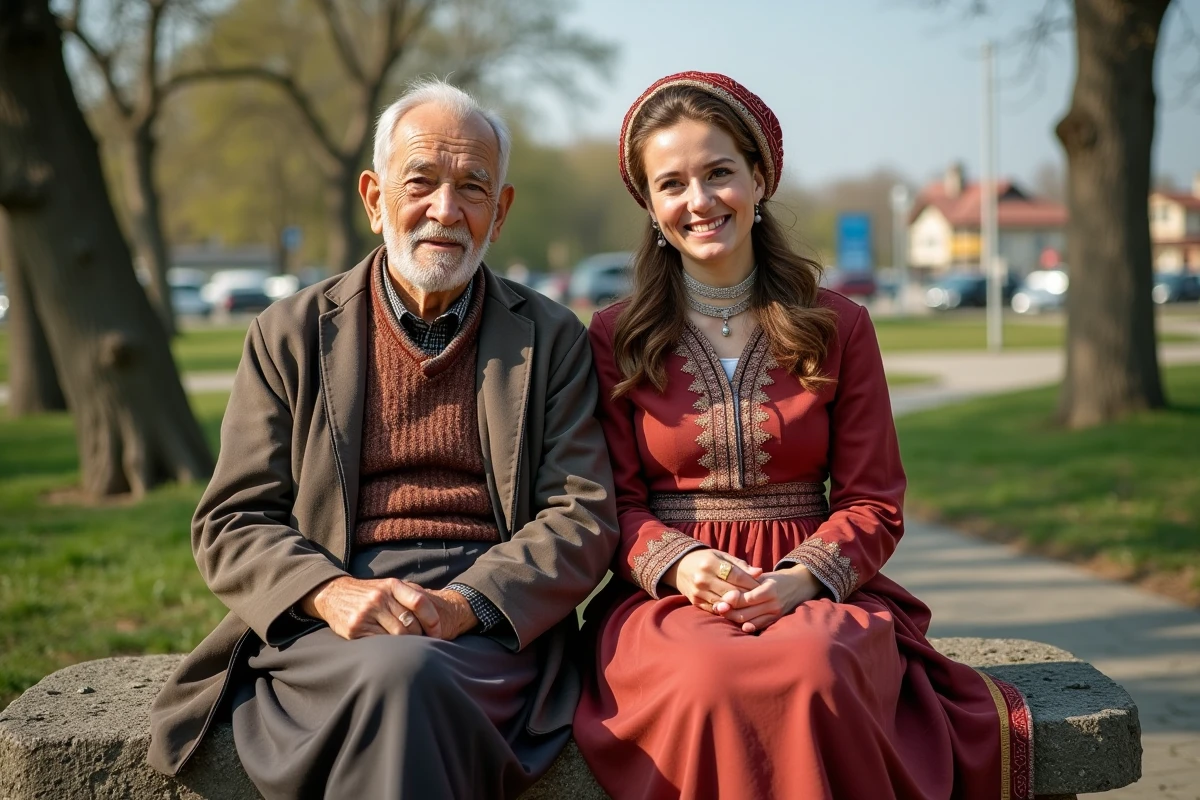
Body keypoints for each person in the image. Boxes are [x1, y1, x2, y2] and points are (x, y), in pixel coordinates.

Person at [146, 78, 619, 798]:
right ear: (374, 199)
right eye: (420, 182)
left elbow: (582, 515)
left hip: (492, 632)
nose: (445, 210)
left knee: (412, 675)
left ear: (501, 211)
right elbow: (232, 519)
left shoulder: (552, 338)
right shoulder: (289, 334)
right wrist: (332, 593)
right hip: (326, 627)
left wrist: (466, 603)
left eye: (472, 188)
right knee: (399, 675)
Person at [572, 71, 1034, 800]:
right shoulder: (614, 335)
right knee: (707, 676)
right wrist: (681, 566)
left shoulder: (840, 324)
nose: (699, 201)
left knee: (816, 662)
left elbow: (874, 501)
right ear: (651, 206)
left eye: (719, 172)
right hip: (669, 600)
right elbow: (612, 505)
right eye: (672, 184)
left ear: (758, 177)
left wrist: (799, 580)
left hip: (816, 580)